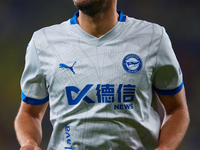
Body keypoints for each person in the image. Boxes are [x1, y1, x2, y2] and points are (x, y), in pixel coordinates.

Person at [14, 0, 190, 150]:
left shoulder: (153, 37)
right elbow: (30, 113)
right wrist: (29, 142)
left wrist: (164, 147)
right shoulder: (42, 42)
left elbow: (177, 109)